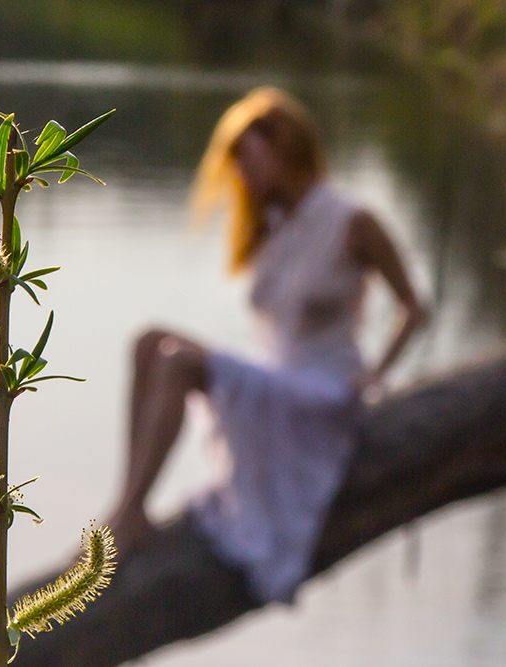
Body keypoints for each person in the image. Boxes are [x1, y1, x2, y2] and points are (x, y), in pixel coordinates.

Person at [107, 87, 427, 605]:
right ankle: (129, 508)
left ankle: (126, 518)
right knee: (149, 342)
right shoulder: (276, 226)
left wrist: (377, 372)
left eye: (247, 158)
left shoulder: (351, 220)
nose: (240, 176)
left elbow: (414, 307)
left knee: (177, 361)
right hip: (278, 377)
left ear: (283, 144)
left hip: (322, 390)